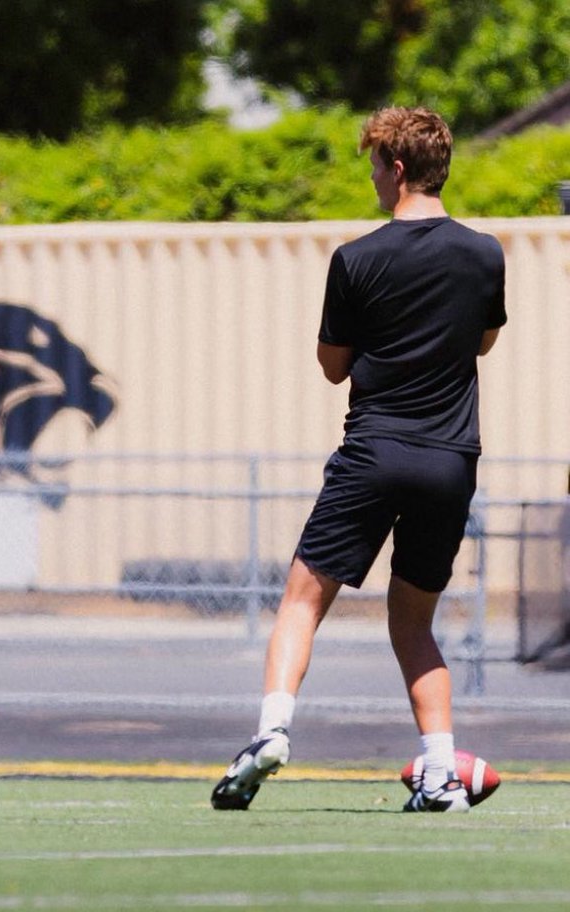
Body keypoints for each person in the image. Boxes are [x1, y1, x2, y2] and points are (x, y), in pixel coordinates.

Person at [210, 107, 506, 813]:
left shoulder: (357, 259)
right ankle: (440, 769)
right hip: (449, 461)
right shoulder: (486, 252)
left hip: (373, 453)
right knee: (413, 621)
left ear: (397, 169)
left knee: (302, 601)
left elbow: (332, 368)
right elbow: (484, 343)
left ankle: (272, 731)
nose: (372, 179)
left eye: (375, 166)